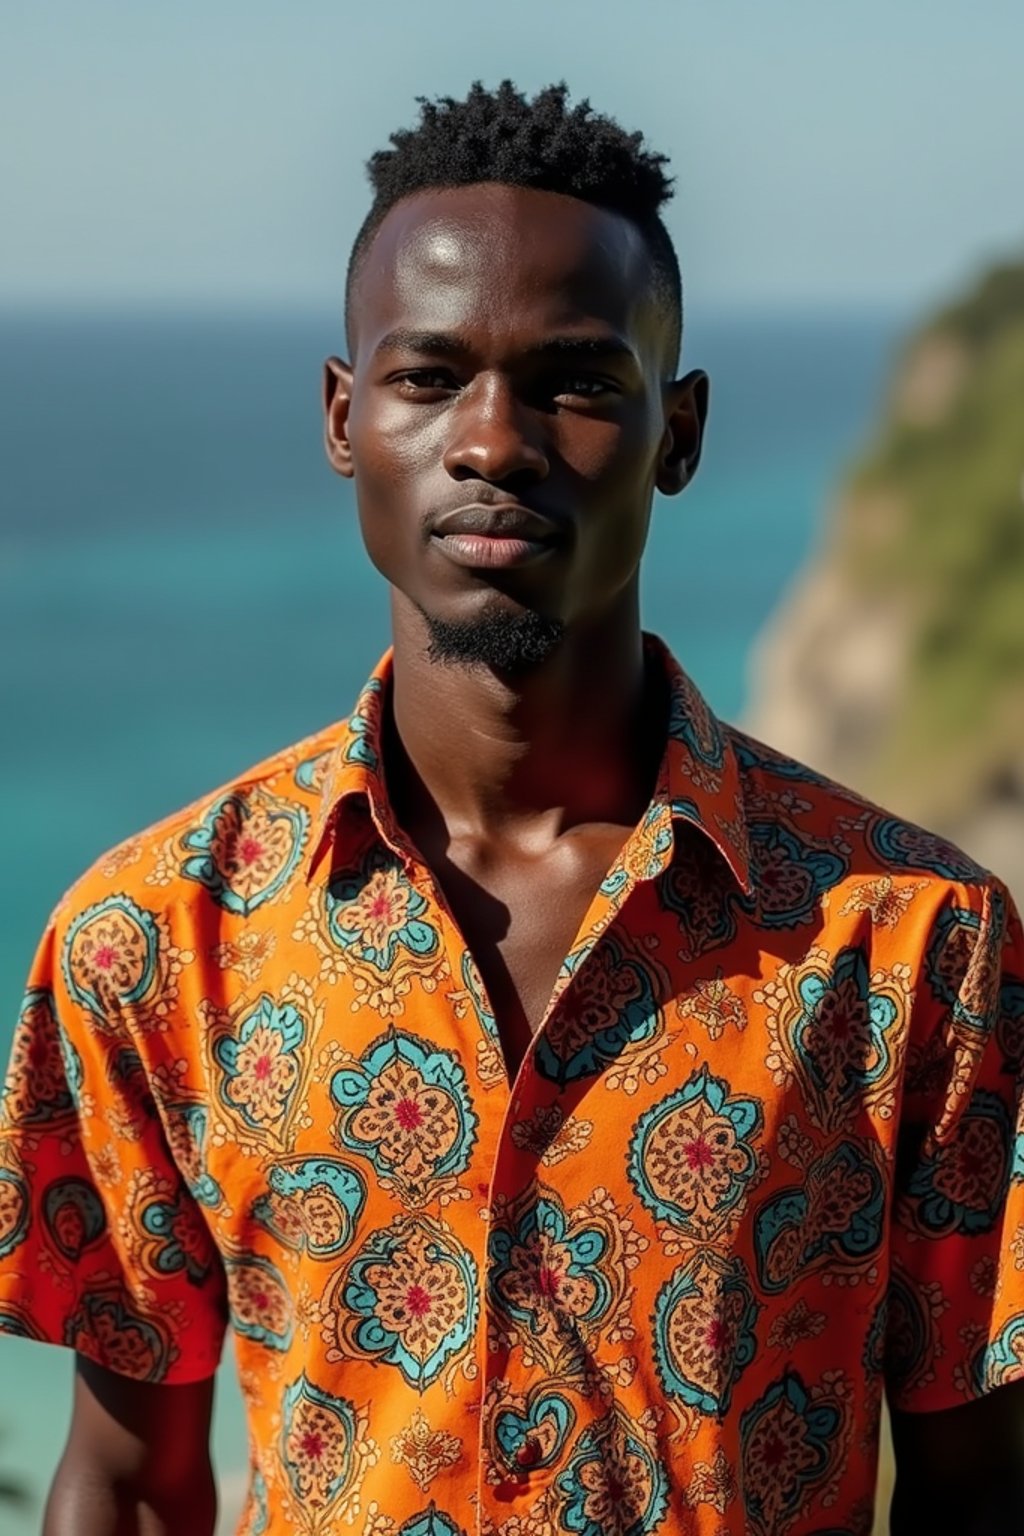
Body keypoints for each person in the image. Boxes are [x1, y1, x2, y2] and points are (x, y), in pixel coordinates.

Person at [2, 80, 1023, 1536]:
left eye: (576, 383)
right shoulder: (154, 939)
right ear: (345, 419)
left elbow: (979, 1490)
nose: (494, 441)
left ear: (680, 433)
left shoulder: (912, 947)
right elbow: (125, 1482)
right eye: (429, 379)